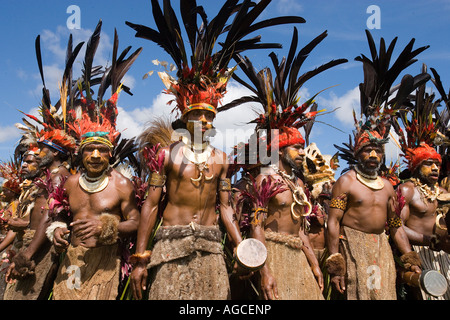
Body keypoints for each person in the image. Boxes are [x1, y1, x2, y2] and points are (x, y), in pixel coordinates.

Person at [127, 0, 305, 300]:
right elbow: (151, 205)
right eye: (198, 115)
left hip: (210, 248)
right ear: (185, 117)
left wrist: (241, 247)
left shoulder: (220, 160)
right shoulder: (167, 156)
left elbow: (224, 209)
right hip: (171, 245)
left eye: (210, 116)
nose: (205, 121)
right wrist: (141, 257)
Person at [226, 27, 347, 300]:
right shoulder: (263, 181)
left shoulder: (299, 183)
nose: (302, 153)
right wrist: (264, 269)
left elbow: (302, 231)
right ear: (280, 150)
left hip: (298, 258)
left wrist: (315, 265)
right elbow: (256, 227)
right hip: (273, 255)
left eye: (302, 148)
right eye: (296, 148)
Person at [326, 30, 427, 300]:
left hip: (380, 248)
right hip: (353, 246)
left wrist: (408, 258)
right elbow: (333, 223)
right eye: (368, 150)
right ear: (358, 153)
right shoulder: (346, 182)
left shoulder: (387, 188)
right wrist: (336, 265)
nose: (373, 155)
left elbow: (394, 226)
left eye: (377, 151)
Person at [49, 21, 142, 300]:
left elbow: (136, 222)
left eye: (101, 150)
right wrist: (56, 230)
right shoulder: (70, 184)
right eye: (89, 150)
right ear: (81, 152)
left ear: (110, 153)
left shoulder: (122, 184)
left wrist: (107, 226)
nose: (95, 155)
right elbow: (60, 215)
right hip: (71, 263)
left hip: (105, 263)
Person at [392, 82, 450, 299]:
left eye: (437, 163)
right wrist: (428, 241)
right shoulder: (407, 190)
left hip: (445, 256)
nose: (435, 168)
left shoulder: (444, 191)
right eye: (428, 163)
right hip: (419, 255)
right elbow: (396, 226)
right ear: (416, 166)